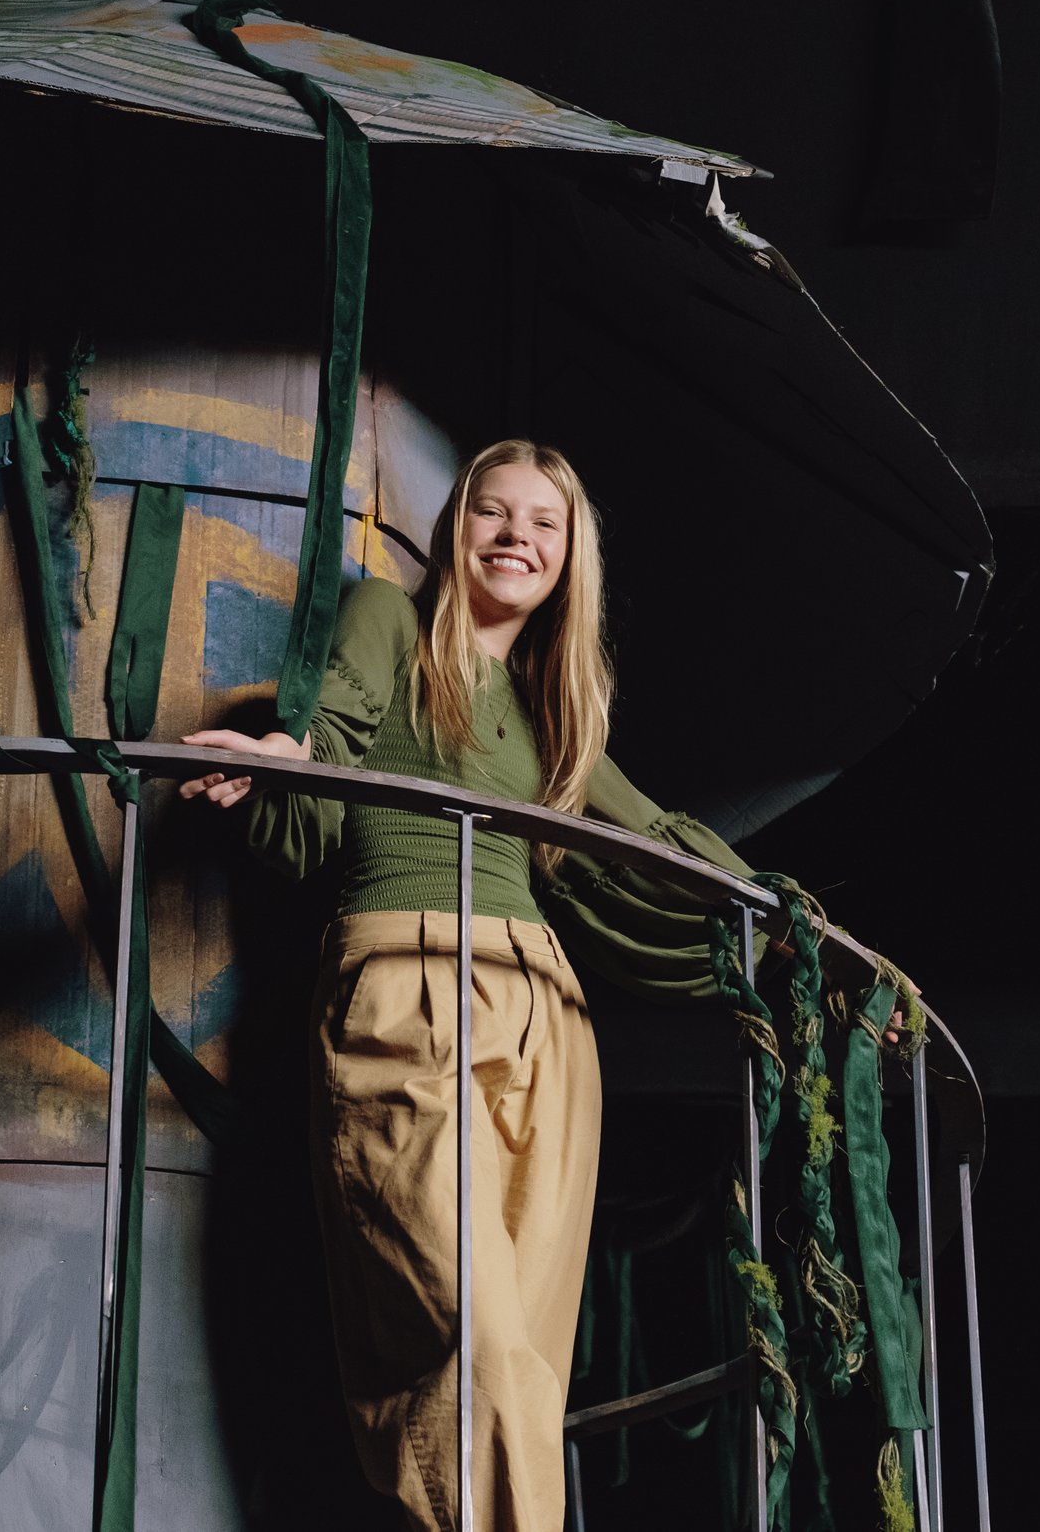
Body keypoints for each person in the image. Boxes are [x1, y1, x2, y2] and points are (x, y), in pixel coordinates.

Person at [180, 438, 761, 1531]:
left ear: (569, 561)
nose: (517, 539)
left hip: (547, 1013)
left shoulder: (555, 710)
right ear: (456, 530)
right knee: (474, 1343)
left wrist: (789, 927)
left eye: (545, 526)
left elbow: (661, 843)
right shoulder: (391, 621)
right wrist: (283, 757)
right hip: (404, 976)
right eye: (495, 514)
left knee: (526, 1378)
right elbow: (331, 731)